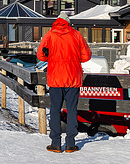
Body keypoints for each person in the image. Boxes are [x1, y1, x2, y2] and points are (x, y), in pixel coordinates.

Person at [37, 12, 91, 153]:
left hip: (55, 78)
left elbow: (41, 56)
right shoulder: (76, 35)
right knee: (72, 110)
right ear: (68, 23)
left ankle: (55, 143)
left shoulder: (50, 35)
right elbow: (86, 56)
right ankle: (70, 144)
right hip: (72, 78)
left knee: (55, 110)